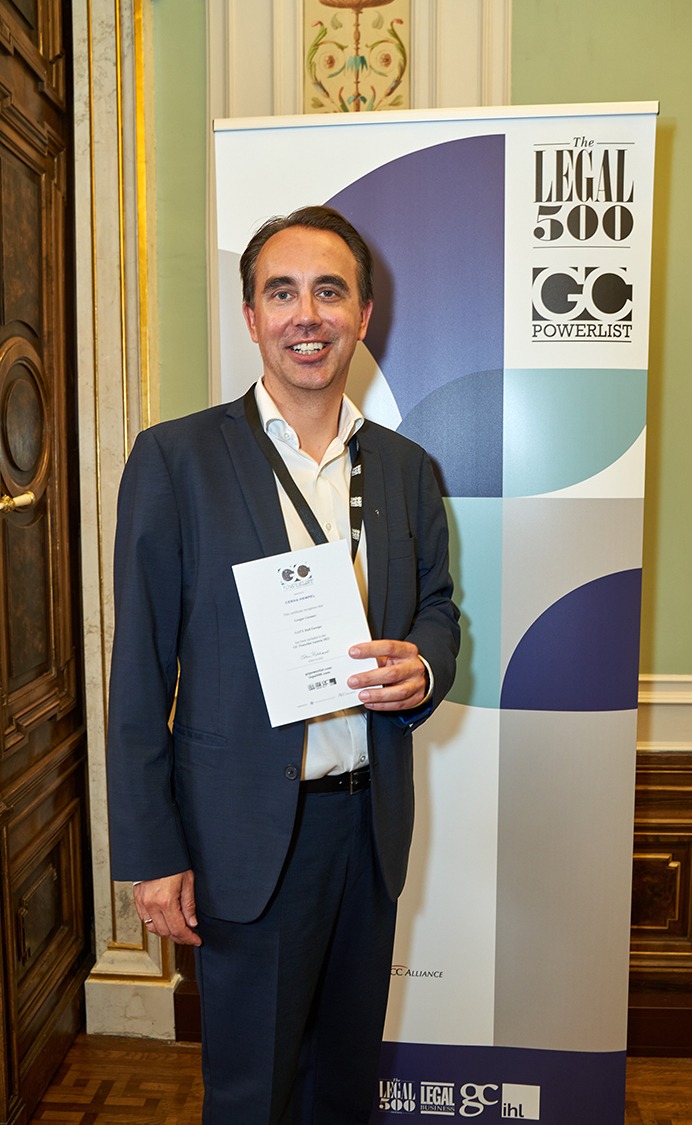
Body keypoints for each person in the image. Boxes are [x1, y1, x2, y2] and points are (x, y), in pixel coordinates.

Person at [106, 205, 460, 1124]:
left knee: (343, 1086)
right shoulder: (176, 459)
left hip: (367, 830)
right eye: (282, 292)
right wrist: (153, 855)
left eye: (330, 292)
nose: (308, 315)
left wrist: (425, 665)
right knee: (251, 1093)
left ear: (363, 316)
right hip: (242, 840)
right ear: (252, 315)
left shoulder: (406, 469)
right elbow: (138, 670)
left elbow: (437, 606)